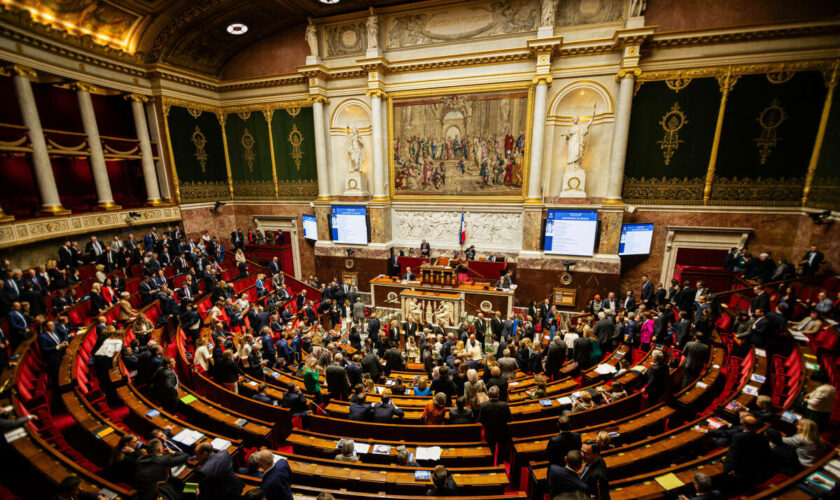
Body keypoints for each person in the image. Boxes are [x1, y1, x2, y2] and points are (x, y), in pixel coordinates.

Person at [722, 415, 771, 491]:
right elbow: (766, 454)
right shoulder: (762, 437)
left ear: (743, 425)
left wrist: (731, 469)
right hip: (755, 470)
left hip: (740, 471)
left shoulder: (738, 437)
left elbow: (734, 455)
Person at [478, 385, 512, 465]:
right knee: (501, 450)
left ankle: (491, 464)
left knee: (491, 450)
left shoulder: (483, 405)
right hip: (502, 432)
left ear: (489, 395)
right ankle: (499, 465)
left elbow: (480, 420)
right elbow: (509, 419)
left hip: (489, 432)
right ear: (498, 395)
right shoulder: (504, 405)